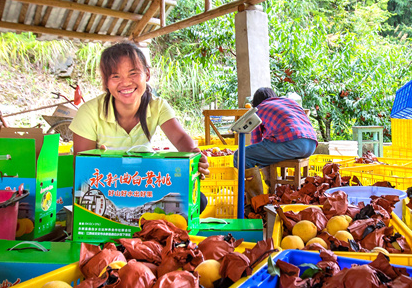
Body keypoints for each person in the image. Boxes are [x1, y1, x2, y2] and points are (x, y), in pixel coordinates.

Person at [70, 41, 210, 211]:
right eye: (115, 76)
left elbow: (180, 137)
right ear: (106, 82)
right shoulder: (89, 112)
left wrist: (195, 156)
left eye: (133, 73)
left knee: (197, 200)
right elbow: (82, 165)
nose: (126, 83)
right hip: (106, 186)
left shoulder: (157, 106)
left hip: (144, 183)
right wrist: (105, 163)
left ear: (147, 74)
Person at [235, 87, 317, 170]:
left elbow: (256, 140)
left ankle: (253, 183)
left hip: (292, 144)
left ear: (256, 101)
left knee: (240, 155)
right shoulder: (290, 102)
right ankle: (270, 182)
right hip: (311, 145)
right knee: (264, 150)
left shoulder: (259, 109)